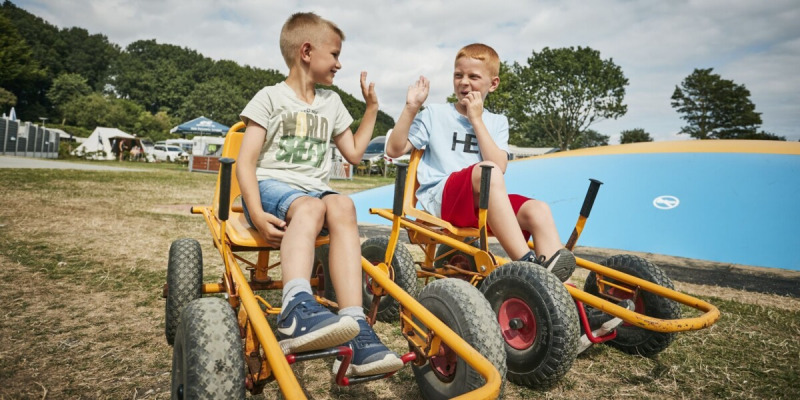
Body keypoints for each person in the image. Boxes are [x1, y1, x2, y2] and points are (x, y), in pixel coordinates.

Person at [236, 12, 403, 377]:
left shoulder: (331, 103)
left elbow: (354, 153)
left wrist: (372, 109)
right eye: (335, 54)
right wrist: (256, 213)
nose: (339, 64)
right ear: (307, 51)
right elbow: (244, 164)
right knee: (311, 207)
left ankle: (356, 325)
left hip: (313, 190)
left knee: (343, 203)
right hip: (271, 188)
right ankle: (295, 308)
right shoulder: (270, 97)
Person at [386, 43, 576, 281]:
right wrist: (411, 108)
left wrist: (476, 119)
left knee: (538, 210)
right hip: (443, 199)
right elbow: (394, 149)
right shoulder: (436, 114)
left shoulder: (497, 122)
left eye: (473, 77)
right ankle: (528, 267)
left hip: (481, 203)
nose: (464, 82)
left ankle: (562, 290)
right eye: (458, 75)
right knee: (487, 171)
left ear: (493, 84)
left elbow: (500, 165)